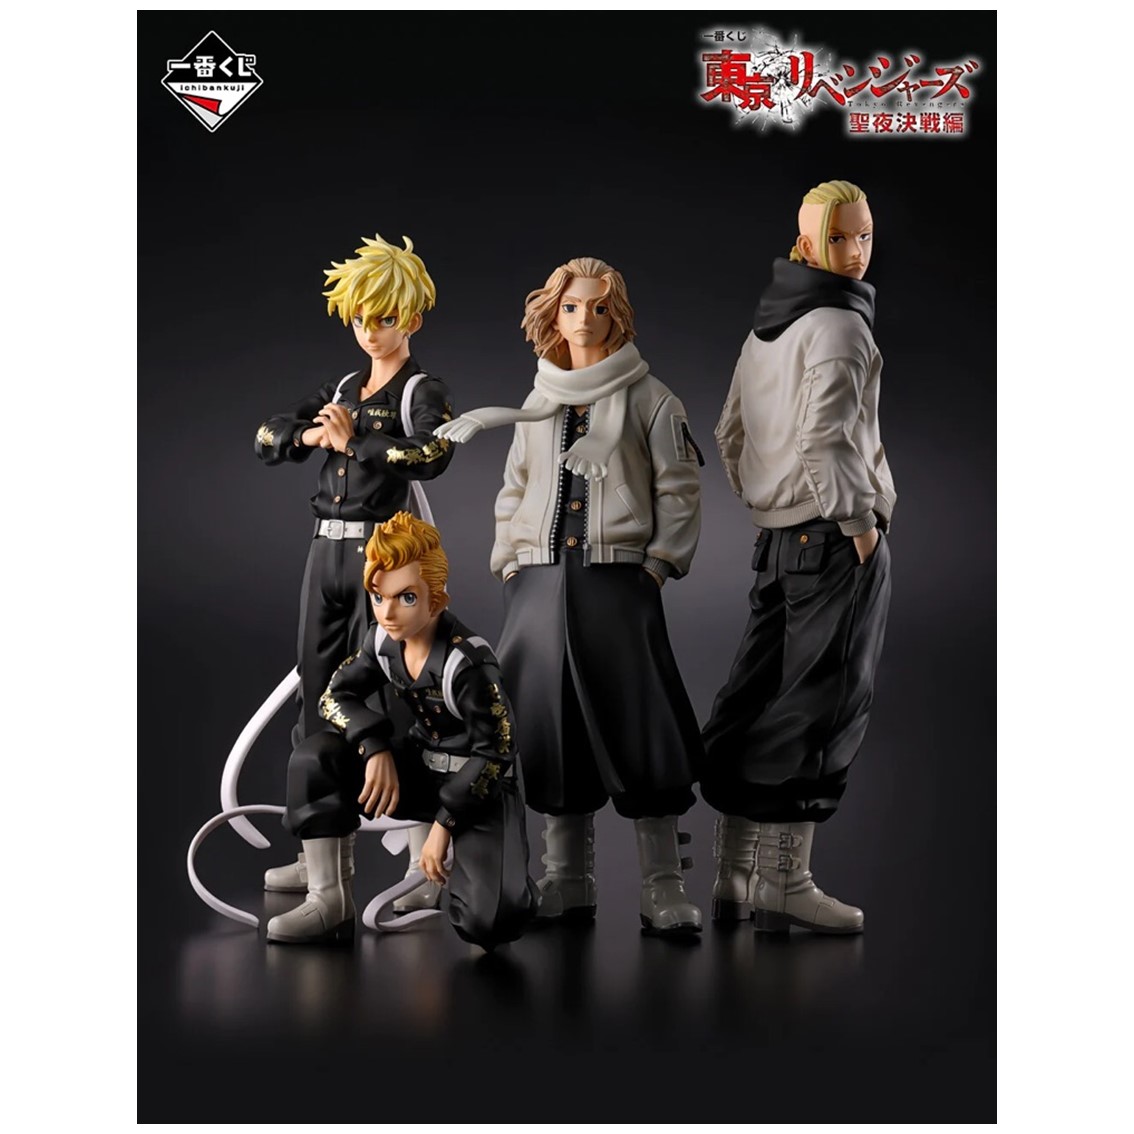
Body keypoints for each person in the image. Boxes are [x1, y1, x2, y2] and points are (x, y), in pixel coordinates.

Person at [436, 256, 705, 936]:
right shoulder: (539, 404)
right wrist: (511, 563)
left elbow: (679, 488)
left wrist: (657, 566)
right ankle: (566, 878)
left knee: (640, 723)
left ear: (619, 314)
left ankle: (662, 882)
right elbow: (515, 489)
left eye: (599, 307)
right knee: (545, 726)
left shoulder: (651, 399)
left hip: (618, 581)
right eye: (572, 307)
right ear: (553, 316)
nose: (585, 319)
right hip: (539, 584)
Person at [701, 180, 895, 935]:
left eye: (864, 235)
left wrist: (768, 500)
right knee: (820, 703)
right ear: (808, 241)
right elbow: (825, 439)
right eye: (839, 237)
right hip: (834, 536)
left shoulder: (767, 327)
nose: (856, 251)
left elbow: (729, 432)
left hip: (778, 542)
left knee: (753, 697)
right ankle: (784, 882)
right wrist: (857, 522)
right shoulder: (841, 325)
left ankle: (732, 875)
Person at [254, 234, 455, 908]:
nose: (372, 331)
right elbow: (267, 436)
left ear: (412, 318)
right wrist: (314, 434)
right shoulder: (342, 388)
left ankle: (425, 857)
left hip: (384, 555)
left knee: (398, 689)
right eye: (362, 318)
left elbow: (431, 454)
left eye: (386, 317)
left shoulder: (421, 389)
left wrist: (358, 441)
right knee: (318, 694)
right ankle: (320, 852)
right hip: (326, 554)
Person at [266, 512, 539, 949]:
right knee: (315, 758)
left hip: (477, 788)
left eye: (406, 597)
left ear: (437, 599)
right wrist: (373, 746)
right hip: (417, 772)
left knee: (490, 923)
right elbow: (335, 695)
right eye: (378, 597)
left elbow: (497, 751)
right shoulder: (381, 641)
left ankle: (494, 880)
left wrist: (445, 824)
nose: (388, 612)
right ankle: (329, 901)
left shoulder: (468, 664)